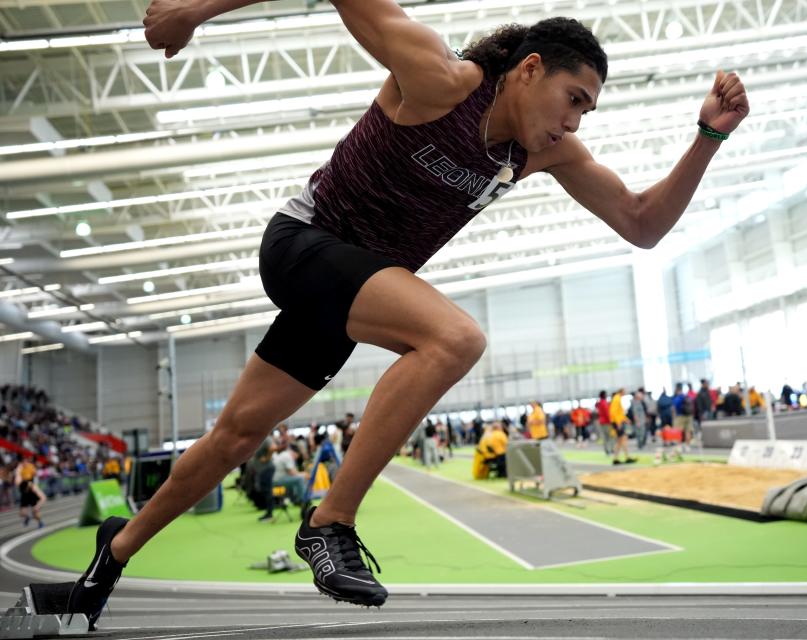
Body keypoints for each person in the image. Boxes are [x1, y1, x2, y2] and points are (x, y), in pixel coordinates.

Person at [68, 0, 750, 624]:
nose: (572, 122)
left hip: (350, 291)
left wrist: (707, 139)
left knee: (235, 438)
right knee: (454, 339)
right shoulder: (439, 79)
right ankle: (329, 523)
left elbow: (641, 223)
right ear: (529, 69)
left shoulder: (543, 153)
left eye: (586, 113)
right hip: (305, 245)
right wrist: (193, 12)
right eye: (572, 100)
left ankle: (115, 549)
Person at [15, 456, 46, 528]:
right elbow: (17, 480)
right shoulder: (20, 482)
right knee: (21, 513)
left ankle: (40, 522)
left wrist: (37, 506)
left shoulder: (32, 486)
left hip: (31, 496)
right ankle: (27, 517)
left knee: (35, 513)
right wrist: (19, 469)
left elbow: (43, 497)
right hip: (25, 495)